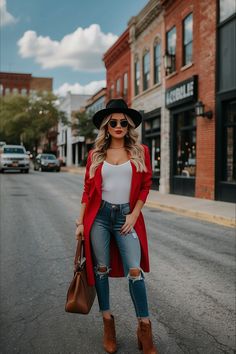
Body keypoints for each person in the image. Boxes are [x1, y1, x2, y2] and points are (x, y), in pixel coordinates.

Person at [75, 99, 158, 354]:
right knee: (100, 270)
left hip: (126, 216)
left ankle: (144, 328)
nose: (119, 126)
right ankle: (108, 324)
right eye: (114, 122)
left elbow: (146, 184)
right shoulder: (95, 155)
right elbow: (88, 191)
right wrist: (80, 222)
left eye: (124, 122)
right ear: (106, 127)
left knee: (135, 271)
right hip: (98, 217)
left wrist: (134, 214)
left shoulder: (140, 151)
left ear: (129, 125)